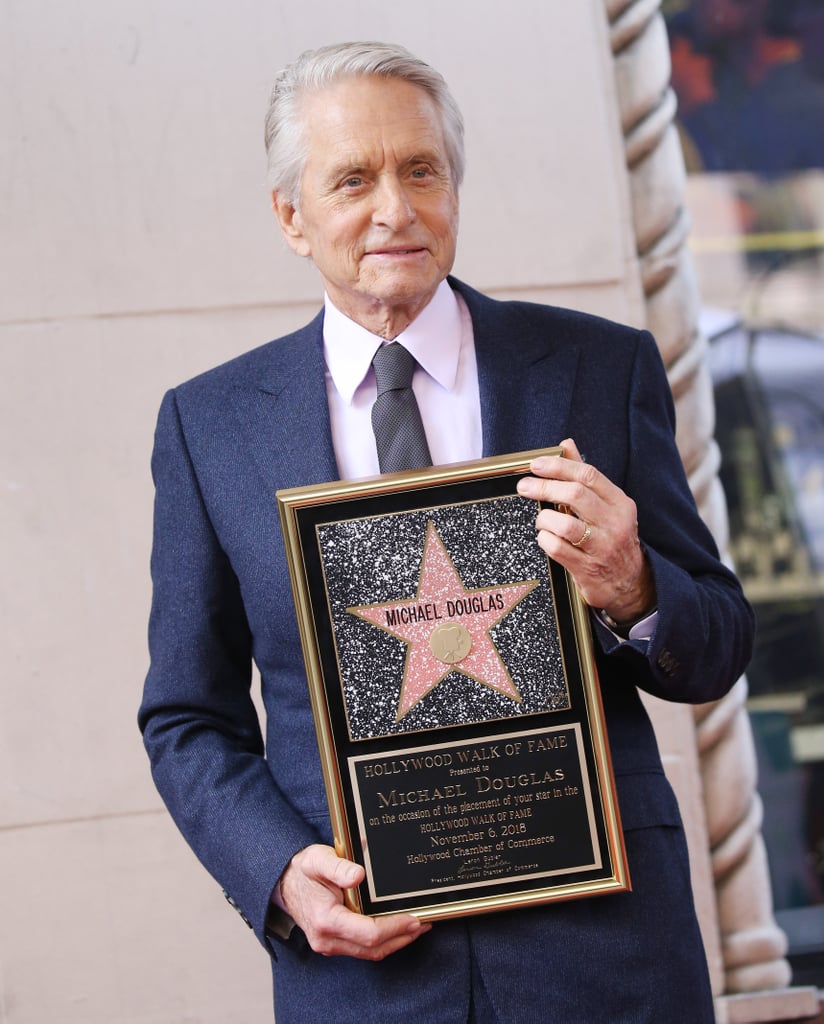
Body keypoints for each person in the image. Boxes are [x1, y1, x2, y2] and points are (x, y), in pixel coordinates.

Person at [139, 41, 755, 1023]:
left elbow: (714, 643)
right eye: (352, 179)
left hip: (607, 959)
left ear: (453, 186)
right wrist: (277, 871)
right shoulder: (210, 427)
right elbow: (185, 713)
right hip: (366, 975)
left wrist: (635, 585)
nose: (395, 208)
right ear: (292, 218)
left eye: (420, 169)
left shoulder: (599, 369)